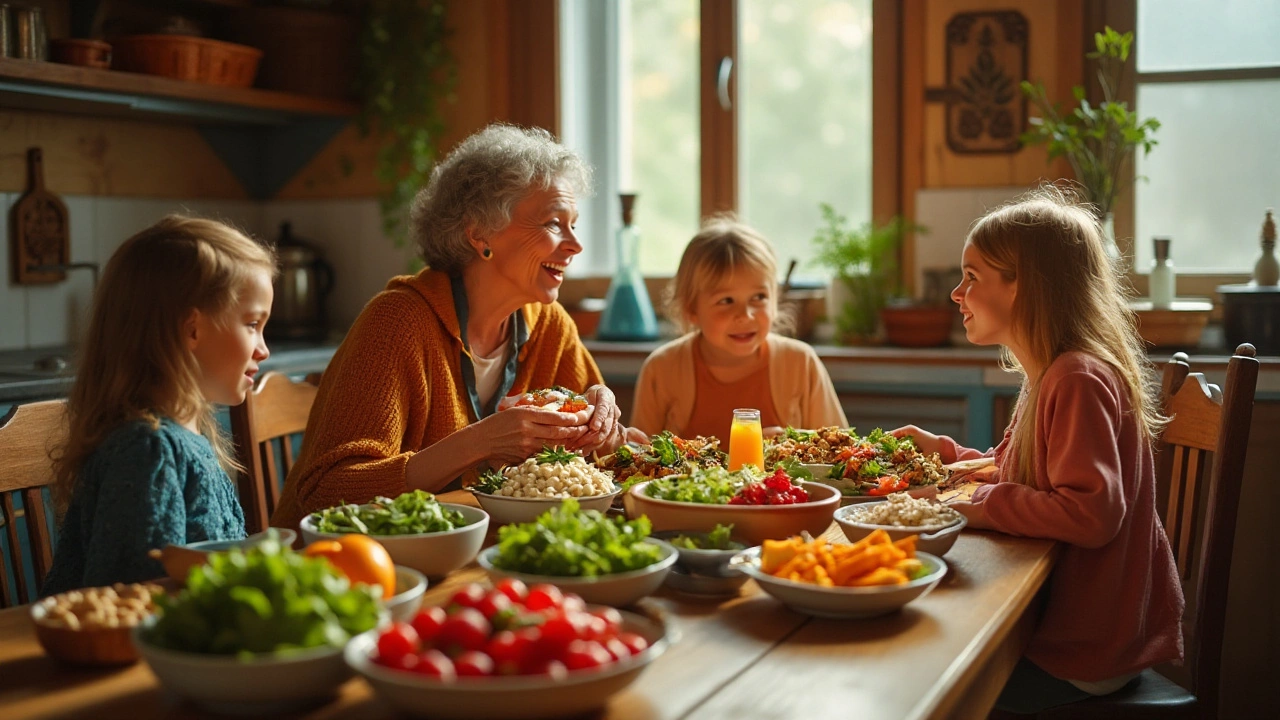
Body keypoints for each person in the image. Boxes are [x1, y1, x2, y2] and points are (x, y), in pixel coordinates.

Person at [891, 188, 1184, 713]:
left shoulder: (1077, 378)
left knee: (927, 684)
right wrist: (947, 454)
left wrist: (969, 506)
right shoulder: (1050, 373)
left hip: (1087, 652)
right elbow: (1024, 473)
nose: (957, 294)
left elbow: (1089, 512)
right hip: (1083, 636)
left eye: (972, 277)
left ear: (1024, 285)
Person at [270, 124, 623, 529]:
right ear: (479, 234)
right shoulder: (397, 323)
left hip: (472, 555)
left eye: (574, 224)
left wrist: (604, 424)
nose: (576, 245)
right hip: (348, 561)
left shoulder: (547, 325)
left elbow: (600, 464)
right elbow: (326, 495)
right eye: (552, 224)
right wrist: (482, 442)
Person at [42, 216, 275, 595]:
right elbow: (133, 601)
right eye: (252, 324)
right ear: (192, 329)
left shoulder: (185, 435)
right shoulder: (148, 450)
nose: (264, 349)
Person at [630, 216, 847, 442]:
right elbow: (638, 462)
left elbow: (838, 449)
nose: (746, 315)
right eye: (726, 301)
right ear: (691, 309)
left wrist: (795, 444)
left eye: (759, 297)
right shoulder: (662, 369)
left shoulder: (801, 363)